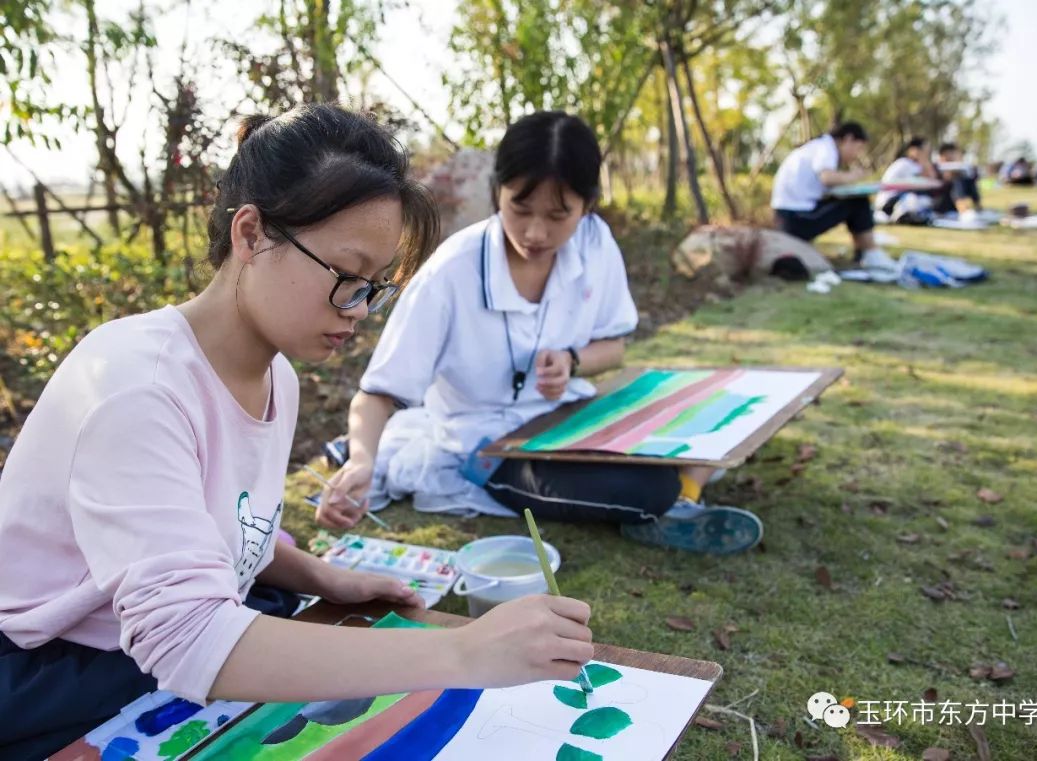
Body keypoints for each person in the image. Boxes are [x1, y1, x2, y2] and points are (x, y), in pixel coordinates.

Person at [0, 104, 594, 761]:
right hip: (50, 666)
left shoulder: (275, 375)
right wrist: (465, 651)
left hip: (142, 633)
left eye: (374, 288)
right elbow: (186, 637)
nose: (359, 312)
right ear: (251, 234)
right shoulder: (135, 384)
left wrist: (322, 575)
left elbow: (220, 526)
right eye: (346, 277)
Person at [317, 111, 763, 557]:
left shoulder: (594, 242)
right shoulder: (452, 272)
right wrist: (362, 461)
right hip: (489, 447)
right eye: (520, 208)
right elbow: (378, 391)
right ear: (497, 194)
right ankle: (678, 497)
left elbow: (615, 348)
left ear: (587, 206)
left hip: (571, 422)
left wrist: (572, 361)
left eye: (558, 214)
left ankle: (680, 493)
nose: (535, 232)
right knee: (646, 487)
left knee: (717, 418)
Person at [771, 122, 899, 276]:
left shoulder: (818, 146)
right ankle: (871, 253)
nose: (857, 154)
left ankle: (863, 253)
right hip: (795, 218)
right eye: (858, 148)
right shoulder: (827, 148)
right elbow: (827, 178)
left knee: (852, 202)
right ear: (848, 139)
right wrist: (853, 176)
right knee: (857, 201)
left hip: (788, 215)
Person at [875, 137, 936, 224]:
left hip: (897, 199)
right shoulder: (904, 163)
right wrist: (924, 161)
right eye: (924, 150)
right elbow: (929, 178)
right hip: (888, 202)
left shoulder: (912, 164)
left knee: (925, 201)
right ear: (913, 150)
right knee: (913, 199)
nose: (926, 154)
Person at [933, 142, 982, 215]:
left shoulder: (959, 166)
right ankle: (963, 210)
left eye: (953, 154)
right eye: (949, 154)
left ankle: (978, 208)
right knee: (956, 182)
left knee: (968, 181)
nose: (951, 156)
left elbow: (974, 177)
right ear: (942, 155)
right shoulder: (936, 166)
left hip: (954, 197)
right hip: (941, 199)